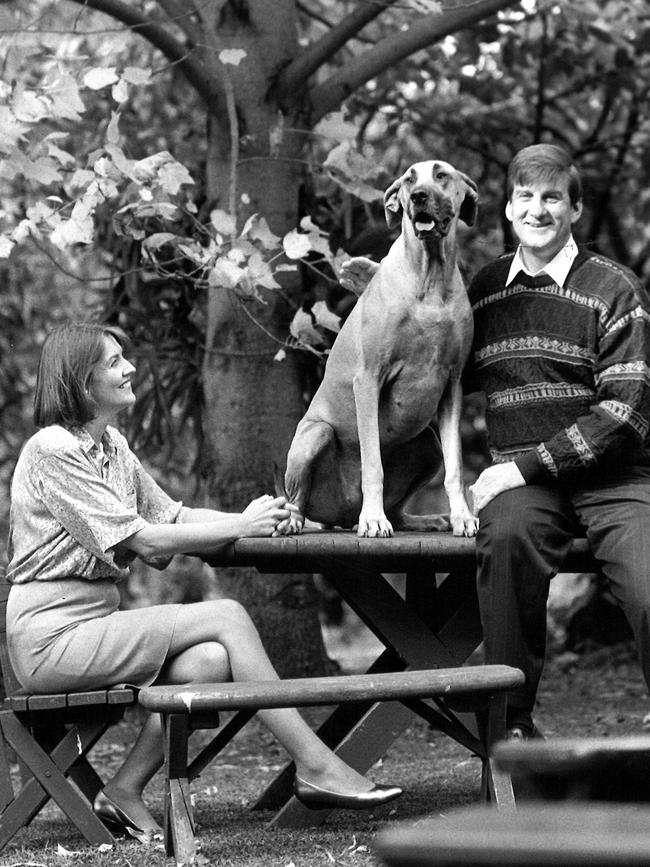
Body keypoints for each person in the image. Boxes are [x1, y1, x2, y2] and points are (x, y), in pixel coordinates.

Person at [5, 323, 401, 844]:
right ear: (82, 383)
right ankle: (316, 766)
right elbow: (144, 541)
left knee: (211, 660)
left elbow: (174, 515)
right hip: (50, 638)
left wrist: (256, 516)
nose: (130, 370)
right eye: (114, 362)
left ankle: (123, 790)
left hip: (95, 626)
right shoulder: (52, 449)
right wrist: (240, 528)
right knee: (227, 615)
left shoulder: (113, 447)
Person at [465, 143, 650, 738]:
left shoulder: (615, 288)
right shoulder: (485, 291)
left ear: (574, 209)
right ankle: (510, 726)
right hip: (530, 495)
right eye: (526, 197)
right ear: (508, 209)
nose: (538, 210)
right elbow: (433, 377)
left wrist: (522, 468)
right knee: (507, 537)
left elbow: (624, 413)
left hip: (616, 481)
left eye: (552, 198)